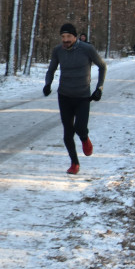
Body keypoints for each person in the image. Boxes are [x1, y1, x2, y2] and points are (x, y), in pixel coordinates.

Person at [44, 23, 106, 175]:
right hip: (64, 95)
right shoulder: (58, 50)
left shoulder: (87, 49)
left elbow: (102, 66)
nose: (65, 40)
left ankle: (85, 139)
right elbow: (51, 69)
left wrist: (99, 88)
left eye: (68, 37)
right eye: (63, 37)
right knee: (67, 132)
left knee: (80, 128)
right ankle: (74, 163)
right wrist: (48, 84)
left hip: (83, 96)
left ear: (75, 36)